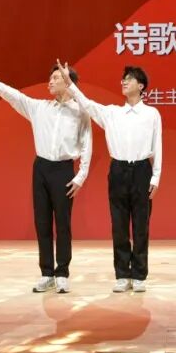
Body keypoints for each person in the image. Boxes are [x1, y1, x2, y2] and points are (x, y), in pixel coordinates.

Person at [0, 59, 91, 293]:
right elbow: (13, 96)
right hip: (41, 168)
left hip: (64, 170)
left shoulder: (80, 112)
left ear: (68, 82)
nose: (49, 82)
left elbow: (86, 144)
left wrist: (81, 176)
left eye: (55, 78)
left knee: (63, 224)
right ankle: (47, 273)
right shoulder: (39, 108)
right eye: (50, 78)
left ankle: (62, 273)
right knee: (42, 222)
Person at [58, 62, 162, 293]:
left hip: (142, 170)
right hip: (118, 170)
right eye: (123, 79)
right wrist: (69, 82)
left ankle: (139, 275)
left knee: (141, 225)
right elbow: (86, 103)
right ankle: (122, 274)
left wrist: (156, 176)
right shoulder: (112, 113)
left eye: (129, 79)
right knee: (119, 224)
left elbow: (158, 146)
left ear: (141, 86)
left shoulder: (151, 114)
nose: (124, 82)